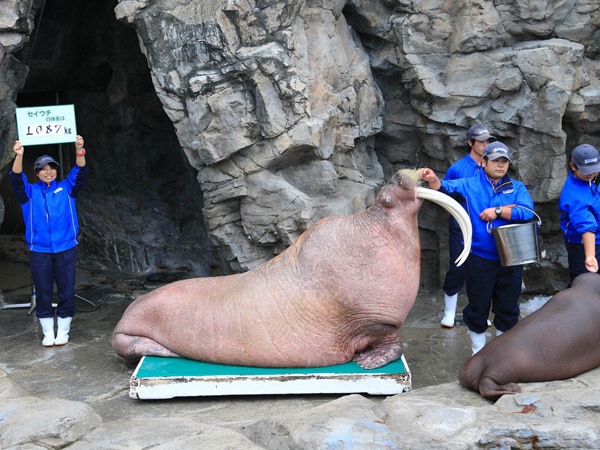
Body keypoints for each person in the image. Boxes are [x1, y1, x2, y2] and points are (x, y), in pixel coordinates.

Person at [421, 141, 535, 355]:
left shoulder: (517, 188)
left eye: (504, 162)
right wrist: (433, 180)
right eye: (496, 161)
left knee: (508, 308)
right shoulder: (469, 184)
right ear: (483, 162)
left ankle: (502, 354)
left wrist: (499, 211)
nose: (500, 166)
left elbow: (528, 212)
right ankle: (478, 353)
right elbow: (446, 188)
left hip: (511, 258)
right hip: (479, 258)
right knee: (477, 307)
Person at [9, 135, 88, 347]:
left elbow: (80, 172)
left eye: (52, 167)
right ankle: (47, 333)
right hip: (40, 249)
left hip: (65, 248)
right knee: (43, 290)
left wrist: (79, 150)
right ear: (36, 173)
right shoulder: (30, 193)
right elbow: (16, 178)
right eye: (43, 168)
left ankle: (63, 331)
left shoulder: (66, 188)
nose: (48, 171)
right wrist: (19, 155)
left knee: (66, 289)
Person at [440, 124, 495, 328]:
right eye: (481, 142)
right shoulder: (458, 169)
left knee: (482, 271)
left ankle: (479, 313)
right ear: (470, 143)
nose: (485, 145)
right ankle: (449, 313)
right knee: (458, 267)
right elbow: (445, 197)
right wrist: (456, 218)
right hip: (461, 227)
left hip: (486, 227)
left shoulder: (493, 165)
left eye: (488, 141)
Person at [558, 144, 600, 287]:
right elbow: (586, 226)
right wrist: (590, 256)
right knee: (584, 283)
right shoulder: (574, 194)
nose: (591, 174)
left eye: (594, 170)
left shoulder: (592, 179)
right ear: (573, 166)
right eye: (586, 171)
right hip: (582, 244)